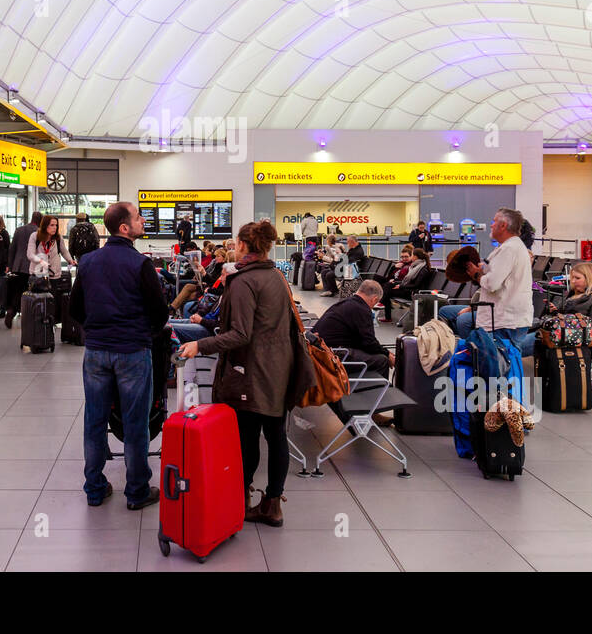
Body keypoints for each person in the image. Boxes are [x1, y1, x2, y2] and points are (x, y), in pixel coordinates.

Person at [177, 220, 296, 528]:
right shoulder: (276, 276)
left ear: (243, 245)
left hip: (251, 371)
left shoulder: (244, 282)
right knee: (276, 434)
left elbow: (240, 335)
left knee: (247, 437)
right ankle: (272, 504)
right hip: (279, 367)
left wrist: (199, 345)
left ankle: (238, 499)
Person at [69, 202, 168, 510]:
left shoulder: (87, 263)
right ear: (124, 228)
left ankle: (95, 488)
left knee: (94, 421)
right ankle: (137, 491)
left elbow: (74, 309)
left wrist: (97, 330)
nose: (142, 221)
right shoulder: (140, 265)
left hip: (96, 353)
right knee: (136, 422)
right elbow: (160, 312)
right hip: (132, 353)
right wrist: (142, 333)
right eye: (138, 217)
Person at [453, 208, 536, 356]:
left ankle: (537, 341)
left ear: (503, 225)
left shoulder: (509, 249)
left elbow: (492, 284)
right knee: (503, 365)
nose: (491, 225)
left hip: (505, 322)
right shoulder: (511, 247)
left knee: (501, 366)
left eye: (494, 222)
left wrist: (476, 274)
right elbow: (499, 274)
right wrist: (484, 268)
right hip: (505, 320)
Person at [314, 279, 394, 377]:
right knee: (382, 360)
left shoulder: (346, 302)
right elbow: (369, 342)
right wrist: (387, 354)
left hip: (318, 350)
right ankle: (374, 389)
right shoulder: (362, 309)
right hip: (330, 355)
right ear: (374, 299)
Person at [549, 262, 592, 347]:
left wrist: (559, 334)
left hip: (573, 344)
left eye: (577, 278)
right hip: (561, 335)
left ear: (590, 278)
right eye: (572, 277)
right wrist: (555, 312)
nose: (573, 281)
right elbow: (567, 318)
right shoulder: (576, 292)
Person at [4, 211, 43, 329]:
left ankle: (11, 310)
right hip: (32, 267)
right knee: (30, 293)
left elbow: (12, 249)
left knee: (17, 290)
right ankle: (27, 316)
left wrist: (10, 265)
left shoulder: (19, 230)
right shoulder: (39, 232)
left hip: (18, 266)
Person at [381, 248, 431, 322]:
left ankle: (382, 305)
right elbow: (408, 281)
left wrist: (401, 286)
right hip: (408, 289)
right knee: (388, 285)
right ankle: (382, 306)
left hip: (413, 293)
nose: (411, 257)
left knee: (387, 292)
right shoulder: (416, 267)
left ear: (416, 257)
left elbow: (416, 285)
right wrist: (397, 282)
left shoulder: (422, 269)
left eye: (412, 255)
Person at [28, 215, 74, 280]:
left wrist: (70, 260)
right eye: (52, 225)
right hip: (38, 274)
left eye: (56, 225)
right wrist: (41, 261)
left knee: (54, 289)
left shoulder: (58, 238)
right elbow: (30, 255)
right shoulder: (35, 236)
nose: (55, 227)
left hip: (54, 274)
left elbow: (64, 251)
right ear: (45, 226)